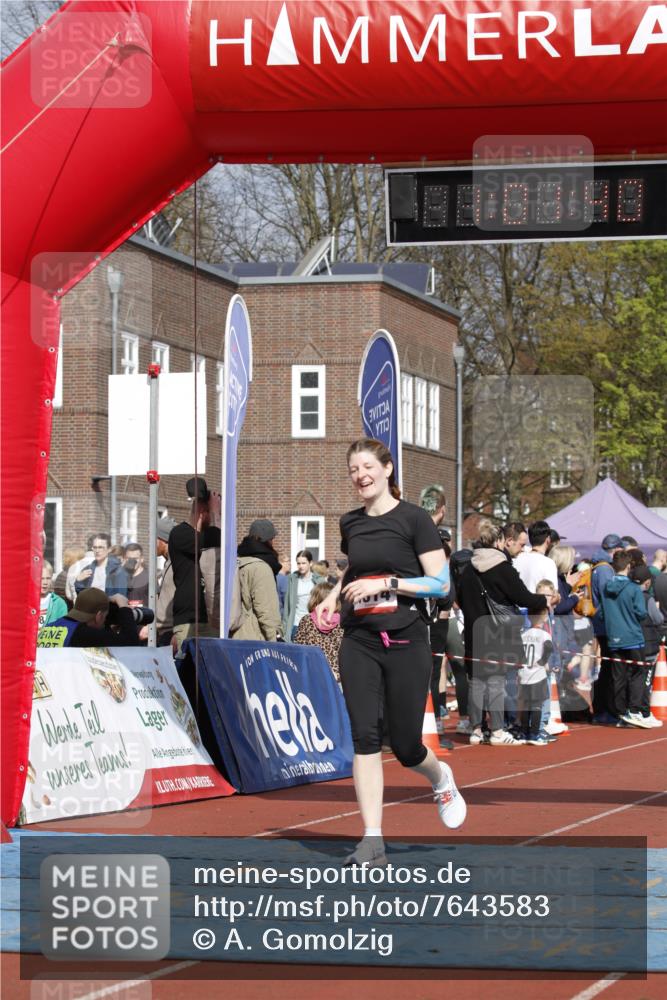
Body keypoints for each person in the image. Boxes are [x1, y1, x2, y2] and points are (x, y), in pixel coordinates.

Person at [315, 438, 466, 867]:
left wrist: (389, 584)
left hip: (406, 636)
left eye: (366, 467)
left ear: (387, 469)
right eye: (352, 470)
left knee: (404, 746)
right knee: (363, 738)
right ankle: (373, 841)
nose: (359, 475)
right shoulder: (350, 522)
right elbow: (355, 568)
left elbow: (441, 585)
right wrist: (334, 597)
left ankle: (440, 778)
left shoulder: (415, 520)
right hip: (360, 638)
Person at [456, 520, 558, 747]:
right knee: (495, 681)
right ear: (500, 541)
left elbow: (460, 599)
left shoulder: (467, 569)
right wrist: (546, 599)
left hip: (474, 629)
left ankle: (475, 729)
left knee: (476, 682)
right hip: (498, 631)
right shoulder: (502, 568)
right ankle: (498, 730)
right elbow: (523, 597)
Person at [169, 476, 221, 656]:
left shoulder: (207, 534)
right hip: (189, 617)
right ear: (202, 511)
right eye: (209, 512)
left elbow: (222, 544)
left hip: (210, 617)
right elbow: (214, 539)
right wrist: (215, 515)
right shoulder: (180, 534)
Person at [599, 550, 651, 728]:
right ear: (629, 567)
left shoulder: (607, 588)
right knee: (638, 673)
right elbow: (642, 613)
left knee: (618, 676)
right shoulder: (633, 588)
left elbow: (601, 612)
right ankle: (634, 710)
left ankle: (619, 712)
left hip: (614, 637)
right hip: (633, 636)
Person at [590, 533, 627, 724]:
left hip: (601, 623)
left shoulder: (600, 566)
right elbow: (608, 597)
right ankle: (604, 710)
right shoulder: (605, 570)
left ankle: (603, 709)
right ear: (615, 549)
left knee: (607, 668)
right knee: (608, 669)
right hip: (605, 625)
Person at [37, 588, 141, 648]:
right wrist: (124, 607)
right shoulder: (82, 634)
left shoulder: (48, 628)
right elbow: (130, 643)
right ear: (99, 616)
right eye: (105, 617)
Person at [231, 519, 282, 641]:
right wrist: (276, 639)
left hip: (235, 635)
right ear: (268, 540)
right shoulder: (261, 568)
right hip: (255, 638)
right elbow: (266, 610)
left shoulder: (237, 561)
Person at [630, 564, 665, 728]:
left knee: (634, 676)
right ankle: (642, 711)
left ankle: (636, 709)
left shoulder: (627, 595)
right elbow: (657, 618)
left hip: (631, 641)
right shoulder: (646, 598)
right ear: (647, 582)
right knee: (645, 679)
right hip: (647, 641)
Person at [519, 595, 554, 746]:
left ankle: (524, 732)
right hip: (537, 674)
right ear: (544, 616)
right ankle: (534, 734)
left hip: (524, 673)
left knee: (526, 704)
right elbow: (548, 649)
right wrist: (543, 663)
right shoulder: (545, 635)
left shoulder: (523, 634)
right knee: (537, 705)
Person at [294, 581, 344, 683]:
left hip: (313, 673)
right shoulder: (343, 622)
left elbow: (298, 648)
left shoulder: (307, 620)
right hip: (338, 675)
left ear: (314, 599)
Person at [283, 550, 326, 640]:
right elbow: (287, 605)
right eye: (298, 563)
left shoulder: (319, 581)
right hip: (295, 624)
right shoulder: (292, 579)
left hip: (313, 624)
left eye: (304, 563)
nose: (301, 566)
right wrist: (285, 627)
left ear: (310, 563)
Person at [514, 520, 558, 592]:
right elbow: (552, 595)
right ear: (548, 539)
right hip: (537, 602)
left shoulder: (517, 559)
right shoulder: (548, 563)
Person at [39, 560, 68, 627]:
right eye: (42, 578)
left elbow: (62, 628)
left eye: (48, 578)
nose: (45, 582)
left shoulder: (59, 603)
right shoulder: (27, 602)